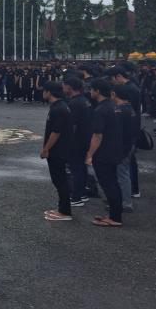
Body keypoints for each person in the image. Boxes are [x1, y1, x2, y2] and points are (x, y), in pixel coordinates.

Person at [86, 79, 123, 228]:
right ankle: (114, 214)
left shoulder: (101, 109)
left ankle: (115, 217)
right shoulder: (114, 106)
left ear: (98, 91)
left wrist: (89, 153)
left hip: (104, 152)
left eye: (92, 89)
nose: (90, 92)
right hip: (114, 149)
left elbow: (98, 135)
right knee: (113, 183)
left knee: (109, 184)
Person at [40, 81, 74, 222]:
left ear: (49, 92)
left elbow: (56, 132)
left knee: (60, 180)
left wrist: (46, 149)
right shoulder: (58, 106)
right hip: (59, 149)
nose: (43, 93)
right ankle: (62, 208)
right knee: (59, 180)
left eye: (44, 91)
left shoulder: (59, 108)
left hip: (58, 150)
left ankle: (65, 212)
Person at [63, 77, 93, 206]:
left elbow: (72, 126)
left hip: (77, 141)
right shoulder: (84, 100)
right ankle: (82, 193)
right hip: (84, 139)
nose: (63, 88)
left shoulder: (74, 103)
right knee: (81, 167)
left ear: (69, 87)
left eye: (64, 85)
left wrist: (66, 140)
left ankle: (76, 197)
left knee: (76, 169)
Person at [112, 85, 139, 213]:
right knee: (123, 173)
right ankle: (122, 200)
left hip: (122, 146)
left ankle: (125, 203)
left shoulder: (120, 110)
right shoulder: (130, 108)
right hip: (129, 144)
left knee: (122, 174)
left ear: (115, 94)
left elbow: (117, 131)